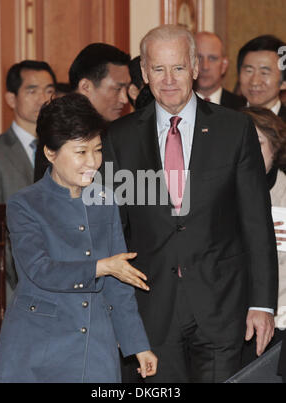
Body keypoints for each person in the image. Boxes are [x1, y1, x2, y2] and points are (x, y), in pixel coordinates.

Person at [103, 24, 278, 383]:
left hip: (222, 304)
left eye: (178, 68)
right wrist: (117, 312)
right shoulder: (120, 138)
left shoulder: (234, 129)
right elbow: (114, 231)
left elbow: (255, 223)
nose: (169, 80)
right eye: (158, 69)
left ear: (195, 68)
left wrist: (261, 304)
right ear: (145, 74)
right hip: (150, 308)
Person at [0, 93, 157, 383]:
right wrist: (100, 267)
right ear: (51, 153)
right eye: (81, 152)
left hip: (96, 347)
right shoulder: (25, 204)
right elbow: (40, 270)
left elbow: (119, 285)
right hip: (39, 347)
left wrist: (138, 345)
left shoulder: (106, 200)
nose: (93, 161)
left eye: (98, 149)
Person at [0, 60, 56, 301]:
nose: (43, 99)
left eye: (49, 91)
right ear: (11, 99)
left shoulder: (63, 150)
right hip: (13, 287)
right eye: (32, 90)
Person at [34, 43, 131, 182]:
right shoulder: (56, 128)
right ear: (86, 86)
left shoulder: (119, 130)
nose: (124, 99)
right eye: (117, 89)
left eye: (126, 89)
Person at [240, 107, 286, 367]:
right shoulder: (220, 193)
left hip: (280, 318)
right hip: (233, 318)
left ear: (275, 147)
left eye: (257, 143)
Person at [237, 35, 286, 121]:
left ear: (283, 82)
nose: (255, 82)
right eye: (249, 71)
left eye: (264, 73)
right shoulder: (227, 119)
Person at [194, 31, 245, 109]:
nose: (205, 67)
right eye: (199, 58)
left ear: (224, 65)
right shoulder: (174, 104)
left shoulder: (242, 108)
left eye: (212, 58)